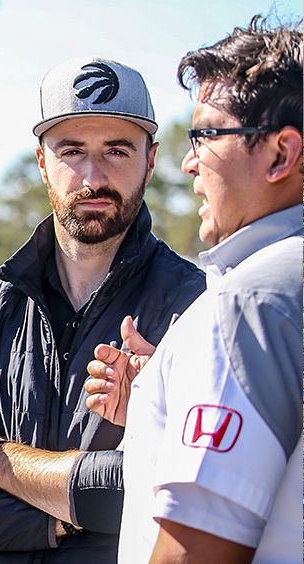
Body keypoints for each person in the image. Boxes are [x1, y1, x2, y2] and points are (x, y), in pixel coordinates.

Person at [0, 56, 207, 564]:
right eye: (72, 150)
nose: (93, 175)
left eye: (117, 151)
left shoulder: (197, 311)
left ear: (150, 161)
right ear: (41, 161)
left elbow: (190, 489)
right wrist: (59, 518)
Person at [85, 16, 302, 564]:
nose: (188, 163)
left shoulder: (245, 305)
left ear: (281, 154)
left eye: (205, 135)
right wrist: (169, 390)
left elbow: (196, 551)